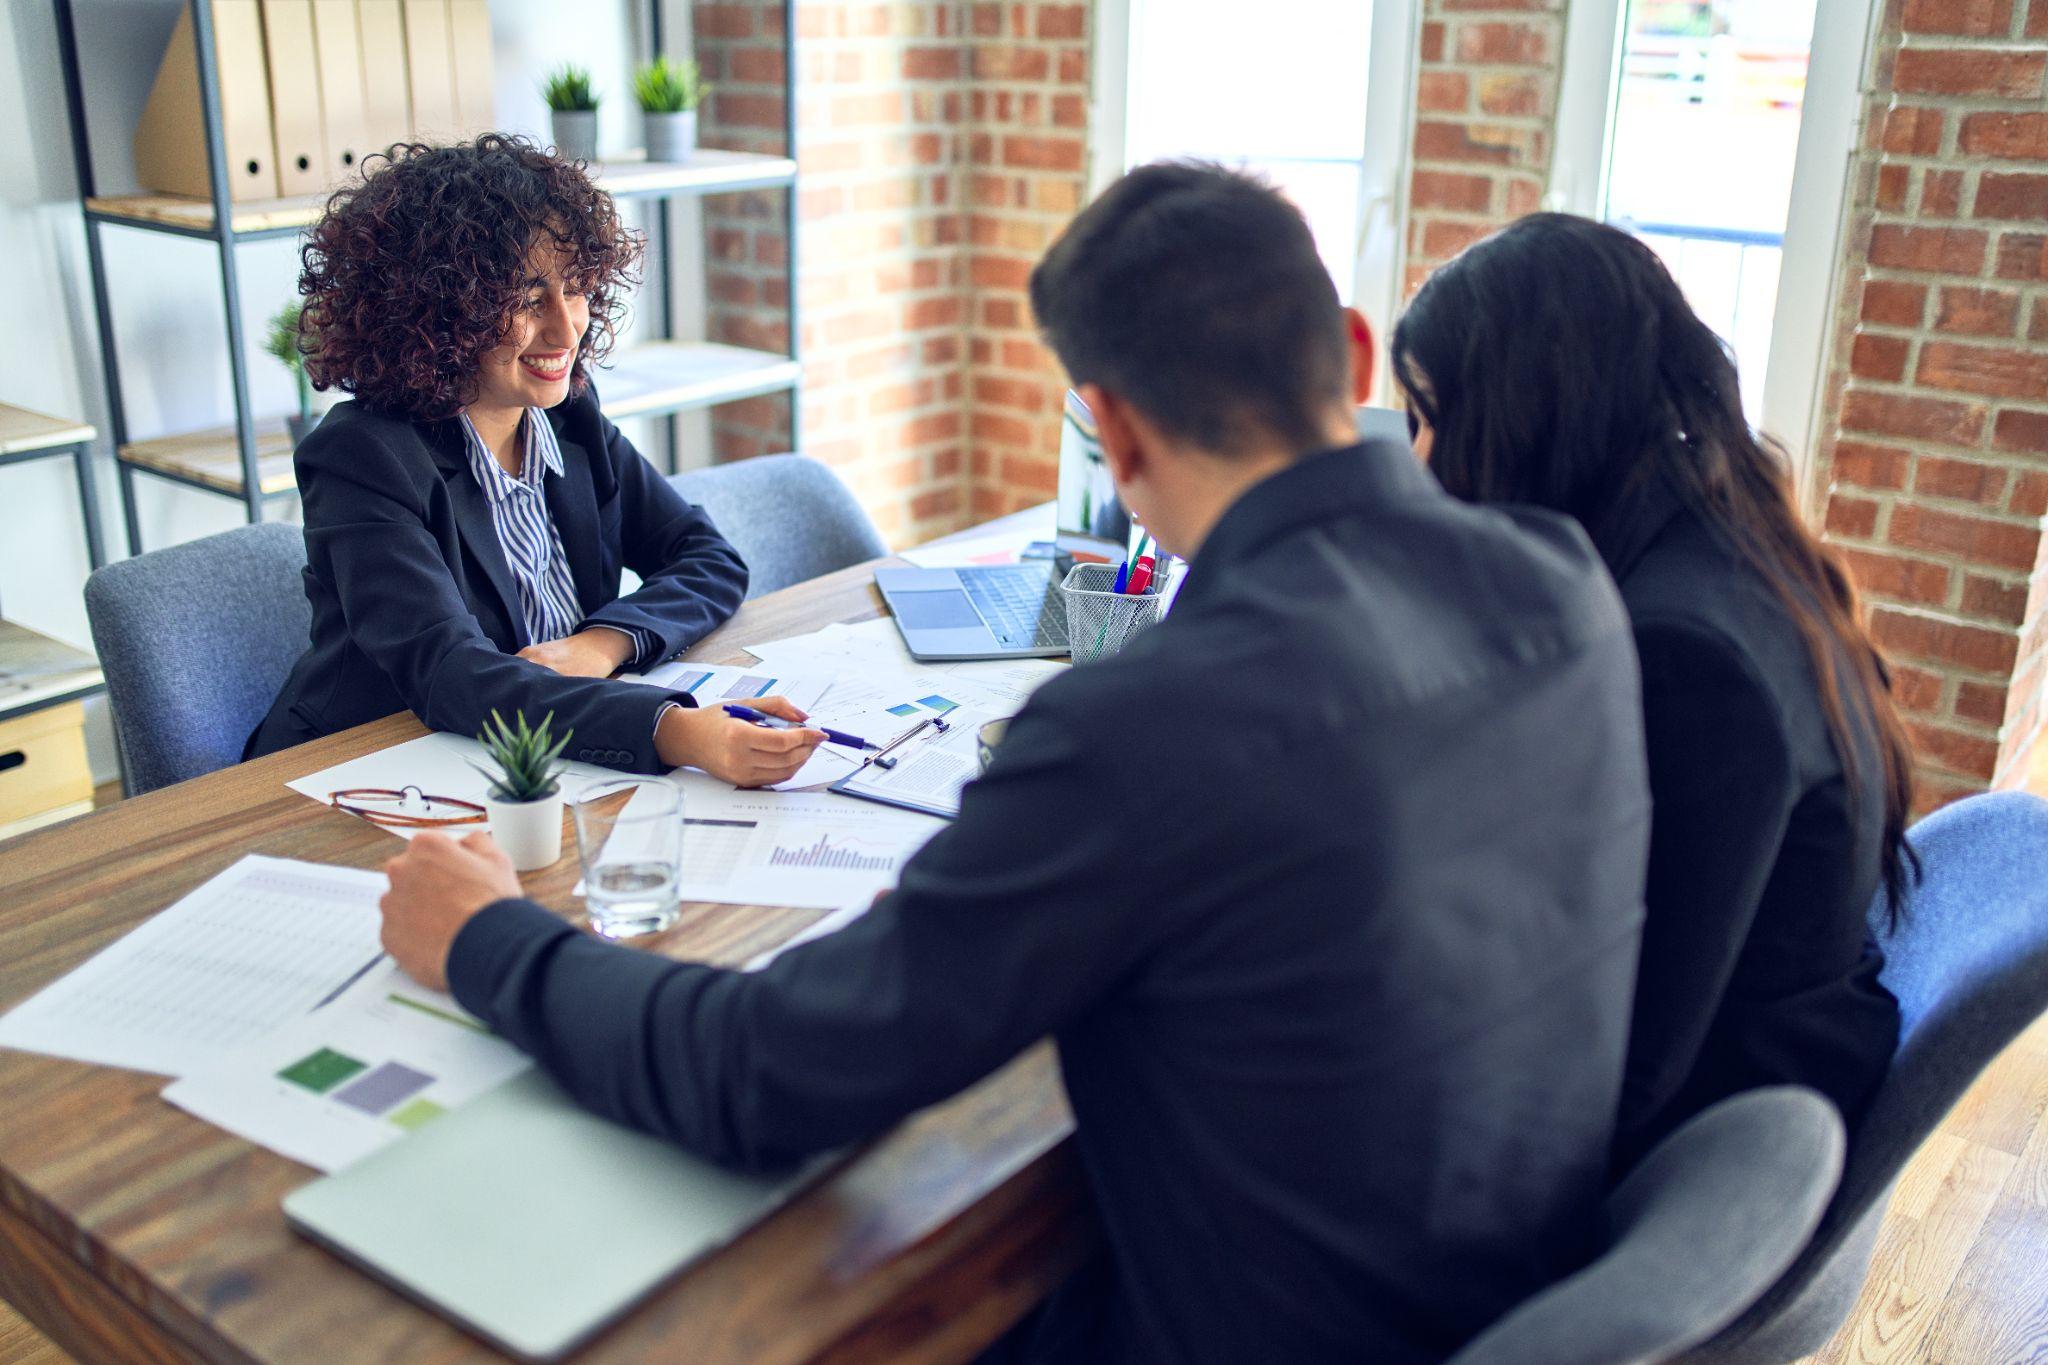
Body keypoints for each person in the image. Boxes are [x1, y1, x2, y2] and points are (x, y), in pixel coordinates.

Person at [376, 163, 1652, 1363]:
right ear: (1358, 354)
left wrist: (485, 938)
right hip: (1508, 1298)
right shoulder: (1564, 584)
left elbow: (761, 1078)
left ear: (1108, 429)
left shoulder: (1143, 725)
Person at [1392, 213, 1915, 1172]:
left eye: (1430, 419)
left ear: (1532, 418)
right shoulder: (1710, 537)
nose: (1417, 463)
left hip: (1710, 1160)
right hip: (1750, 1072)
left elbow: (1618, 1063)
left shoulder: (1686, 653)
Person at [247, 135, 823, 787]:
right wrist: (670, 728)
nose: (565, 328)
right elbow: (451, 675)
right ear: (439, 311)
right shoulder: (362, 458)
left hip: (530, 762)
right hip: (362, 770)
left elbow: (709, 558)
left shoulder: (568, 418)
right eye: (526, 298)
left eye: (575, 288)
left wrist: (600, 645)